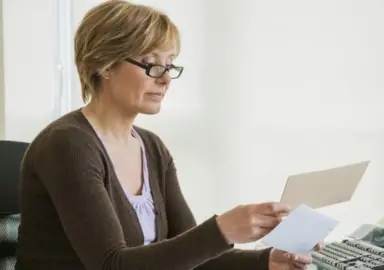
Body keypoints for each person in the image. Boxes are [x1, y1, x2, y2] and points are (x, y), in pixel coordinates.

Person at [15, 1, 320, 269]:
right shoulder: (68, 145)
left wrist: (266, 261)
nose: (165, 79)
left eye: (170, 65)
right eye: (150, 64)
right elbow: (111, 265)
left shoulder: (151, 147)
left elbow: (191, 258)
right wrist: (223, 230)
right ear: (103, 64)